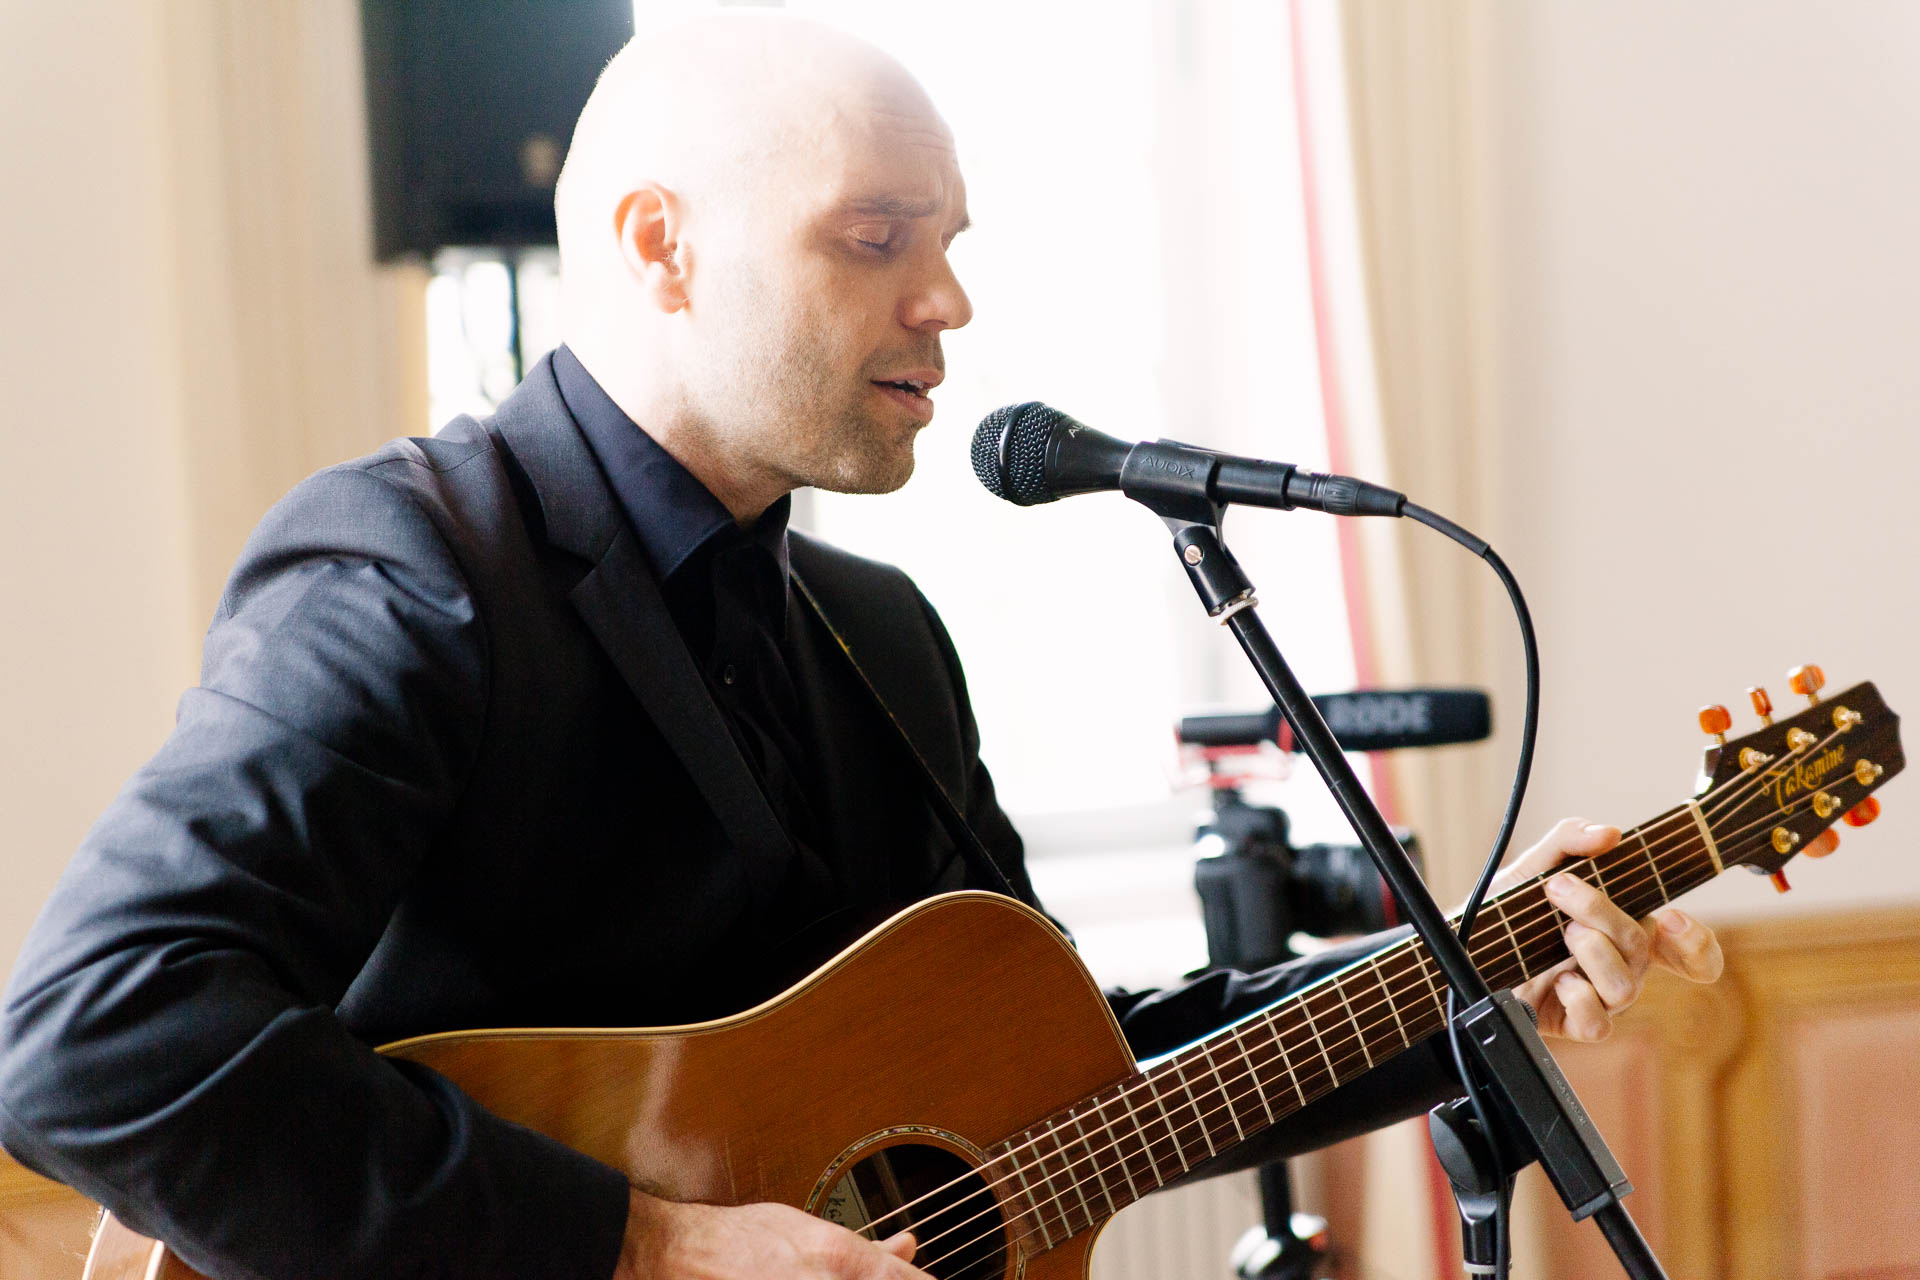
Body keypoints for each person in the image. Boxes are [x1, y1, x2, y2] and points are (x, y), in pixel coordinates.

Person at [0, 15, 1774, 1280]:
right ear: (661, 249)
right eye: (876, 240)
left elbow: (1074, 1084)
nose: (949, 302)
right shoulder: (418, 570)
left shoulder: (878, 635)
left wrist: (1469, 975)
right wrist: (649, 1245)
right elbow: (94, 1036)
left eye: (950, 245)